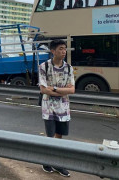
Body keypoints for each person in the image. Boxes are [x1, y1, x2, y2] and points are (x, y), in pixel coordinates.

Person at [39, 39, 75, 177]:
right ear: (53, 51)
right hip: (48, 108)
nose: (64, 51)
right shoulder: (44, 67)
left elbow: (72, 90)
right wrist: (62, 90)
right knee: (50, 136)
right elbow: (43, 90)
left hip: (63, 109)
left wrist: (53, 88)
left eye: (65, 49)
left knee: (59, 136)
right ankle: (53, 162)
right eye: (60, 48)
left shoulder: (69, 68)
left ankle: (51, 161)